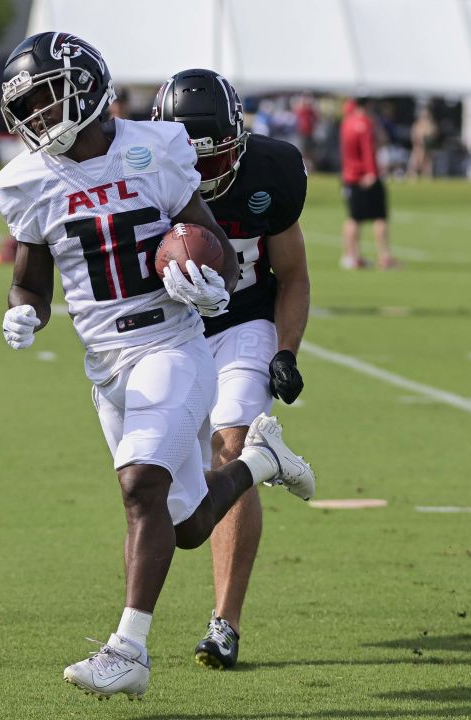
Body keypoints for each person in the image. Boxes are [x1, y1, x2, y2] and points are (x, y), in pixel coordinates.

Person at [0, 32, 315, 701]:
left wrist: (210, 279)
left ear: (83, 88)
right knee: (186, 523)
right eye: (31, 109)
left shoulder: (154, 147)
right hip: (105, 360)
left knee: (141, 487)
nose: (40, 121)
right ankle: (260, 462)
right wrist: (23, 310)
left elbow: (214, 240)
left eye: (49, 102)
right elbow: (30, 277)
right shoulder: (25, 180)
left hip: (171, 342)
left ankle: (129, 649)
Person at [152, 68, 310, 670]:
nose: (205, 171)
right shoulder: (140, 175)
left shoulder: (269, 173)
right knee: (161, 480)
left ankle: (225, 623)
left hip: (244, 324)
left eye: (215, 156)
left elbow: (292, 277)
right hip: (168, 332)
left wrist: (285, 351)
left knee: (232, 442)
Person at [339, 98, 396, 270]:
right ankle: (384, 256)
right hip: (365, 175)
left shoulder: (346, 123)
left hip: (349, 176)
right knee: (380, 216)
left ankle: (351, 255)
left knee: (353, 218)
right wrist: (371, 172)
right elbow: (368, 150)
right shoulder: (364, 124)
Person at [406, 106, 436, 181]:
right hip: (418, 145)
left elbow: (433, 133)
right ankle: (412, 174)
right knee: (416, 160)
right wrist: (418, 141)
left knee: (427, 160)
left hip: (427, 146)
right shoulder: (417, 124)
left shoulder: (430, 124)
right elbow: (414, 135)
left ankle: (426, 175)